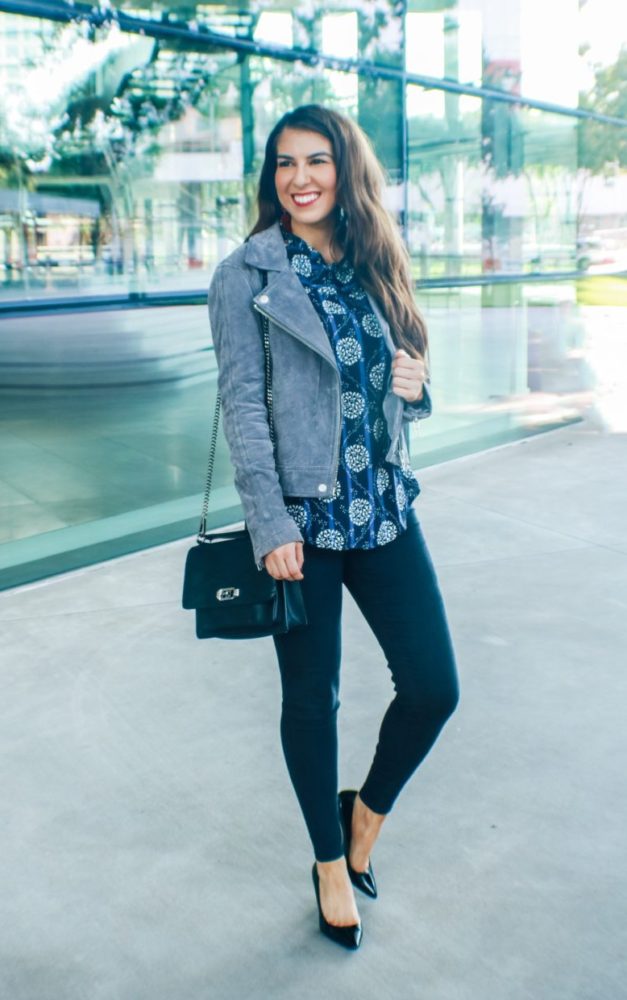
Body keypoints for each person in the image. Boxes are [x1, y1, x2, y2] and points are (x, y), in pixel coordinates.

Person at [207, 104, 460, 950]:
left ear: (344, 171)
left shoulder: (373, 259)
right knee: (311, 700)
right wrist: (268, 520)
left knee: (433, 687)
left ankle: (364, 819)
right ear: (269, 176)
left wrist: (416, 388)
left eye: (317, 161)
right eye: (284, 163)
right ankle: (325, 862)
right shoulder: (245, 274)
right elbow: (243, 405)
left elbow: (402, 382)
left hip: (382, 508)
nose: (300, 177)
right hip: (302, 524)